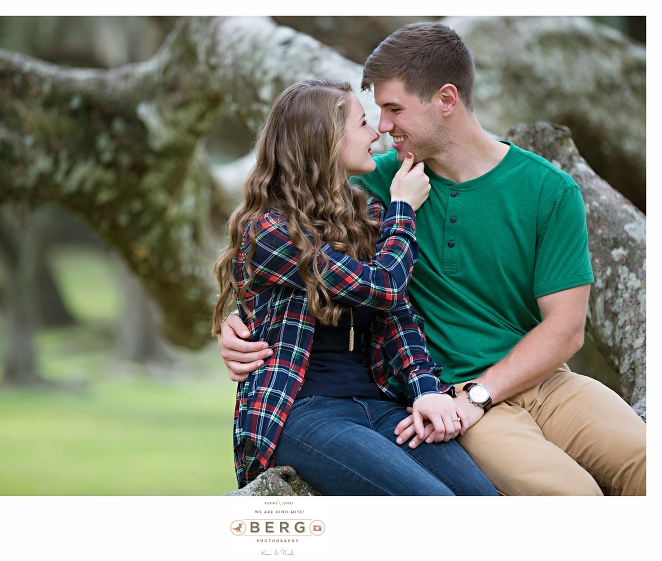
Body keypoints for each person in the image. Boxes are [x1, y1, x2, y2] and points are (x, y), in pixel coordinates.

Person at [219, 23, 646, 496]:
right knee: (573, 496)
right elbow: (296, 240)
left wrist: (481, 394)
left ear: (446, 99)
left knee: (646, 463)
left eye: (394, 109)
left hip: (543, 382)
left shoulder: (549, 189)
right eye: (375, 114)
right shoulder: (376, 187)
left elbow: (565, 329)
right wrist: (240, 321)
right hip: (448, 396)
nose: (382, 127)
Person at [212, 77, 496, 496]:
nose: (376, 132)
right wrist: (404, 209)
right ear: (325, 139)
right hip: (305, 414)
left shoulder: (366, 215)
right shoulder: (267, 230)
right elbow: (381, 287)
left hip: (379, 404)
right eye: (363, 123)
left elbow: (398, 315)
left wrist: (424, 392)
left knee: (484, 501)